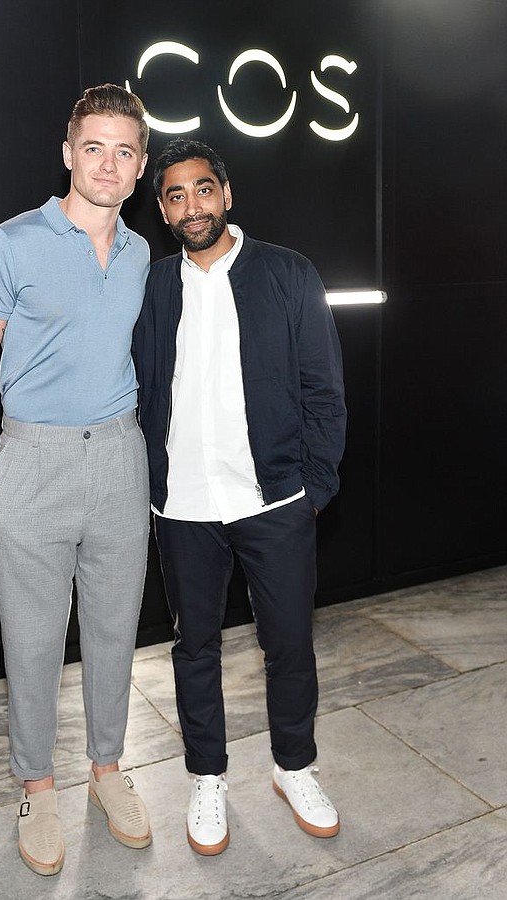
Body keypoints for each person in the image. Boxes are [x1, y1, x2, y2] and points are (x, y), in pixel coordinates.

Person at [0, 84, 152, 876]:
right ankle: (37, 785)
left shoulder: (142, 253)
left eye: (125, 150)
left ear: (139, 167)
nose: (108, 163)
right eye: (94, 146)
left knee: (115, 632)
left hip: (118, 457)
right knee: (32, 643)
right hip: (29, 464)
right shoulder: (9, 244)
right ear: (69, 153)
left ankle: (107, 770)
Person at [133, 138, 346, 856]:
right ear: (161, 209)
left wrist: (315, 486)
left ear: (226, 194)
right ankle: (206, 777)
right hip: (183, 509)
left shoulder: (288, 273)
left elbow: (323, 387)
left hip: (275, 501)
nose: (190, 205)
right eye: (174, 195)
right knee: (194, 649)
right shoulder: (155, 287)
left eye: (201, 190)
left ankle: (295, 767)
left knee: (288, 643)